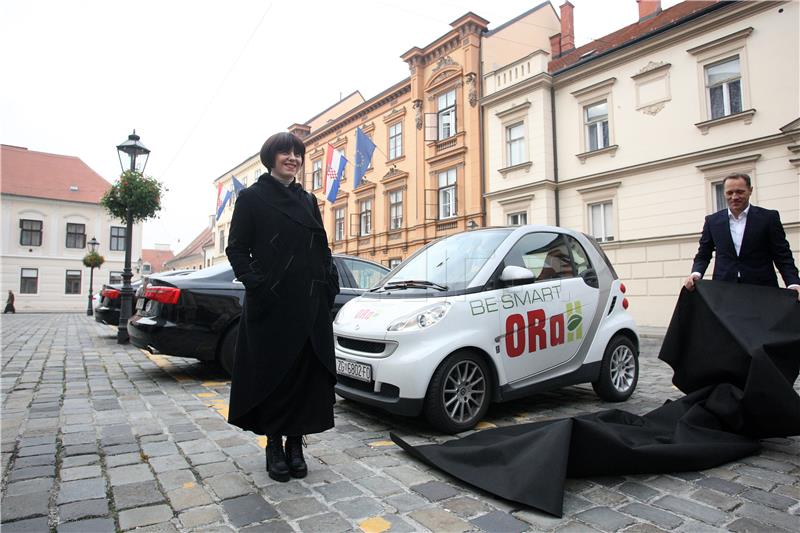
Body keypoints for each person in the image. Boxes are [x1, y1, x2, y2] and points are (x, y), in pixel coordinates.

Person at [225, 132, 340, 482]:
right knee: (275, 375)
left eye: (297, 153)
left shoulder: (308, 199)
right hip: (272, 306)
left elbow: (320, 244)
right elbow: (237, 249)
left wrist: (328, 281)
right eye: (285, 153)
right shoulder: (252, 197)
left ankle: (295, 445)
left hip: (309, 304)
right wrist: (258, 284)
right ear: (270, 157)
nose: (292, 158)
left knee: (305, 376)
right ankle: (273, 445)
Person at [684, 173, 800, 300]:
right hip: (724, 291)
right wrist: (696, 273)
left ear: (750, 191)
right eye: (729, 193)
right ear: (724, 193)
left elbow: (782, 255)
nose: (734, 197)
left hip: (762, 291)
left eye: (740, 192)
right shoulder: (712, 221)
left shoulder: (769, 218)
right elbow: (703, 254)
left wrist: (793, 283)